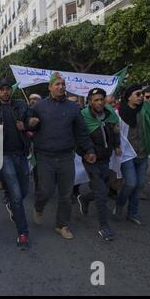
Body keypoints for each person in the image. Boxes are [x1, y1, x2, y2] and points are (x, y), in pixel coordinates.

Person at [28, 72, 95, 239]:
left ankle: (61, 225)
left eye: (63, 84)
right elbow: (30, 128)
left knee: (66, 194)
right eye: (57, 84)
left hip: (66, 156)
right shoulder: (39, 106)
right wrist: (31, 124)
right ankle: (39, 206)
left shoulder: (73, 108)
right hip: (44, 156)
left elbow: (81, 131)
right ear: (50, 87)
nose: (60, 87)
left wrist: (89, 150)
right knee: (46, 190)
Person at [0, 78, 33, 248]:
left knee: (24, 190)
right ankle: (23, 233)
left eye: (8, 89)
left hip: (21, 153)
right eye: (2, 89)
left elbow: (31, 121)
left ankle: (13, 204)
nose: (5, 92)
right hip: (4, 154)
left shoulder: (21, 104)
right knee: (16, 194)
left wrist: (26, 125)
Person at [113, 85, 150, 225]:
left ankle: (132, 213)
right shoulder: (118, 113)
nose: (141, 97)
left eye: (142, 94)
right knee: (131, 183)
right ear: (129, 96)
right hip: (127, 155)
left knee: (139, 185)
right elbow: (112, 131)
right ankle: (119, 205)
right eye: (138, 94)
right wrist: (115, 144)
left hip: (143, 154)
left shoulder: (147, 109)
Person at [77, 88, 122, 241]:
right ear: (90, 101)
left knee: (101, 189)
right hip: (90, 160)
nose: (100, 102)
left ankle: (84, 198)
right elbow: (78, 138)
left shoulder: (109, 113)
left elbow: (115, 130)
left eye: (102, 99)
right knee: (102, 194)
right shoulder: (83, 116)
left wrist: (117, 145)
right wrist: (85, 154)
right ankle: (104, 227)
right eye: (96, 100)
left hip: (105, 158)